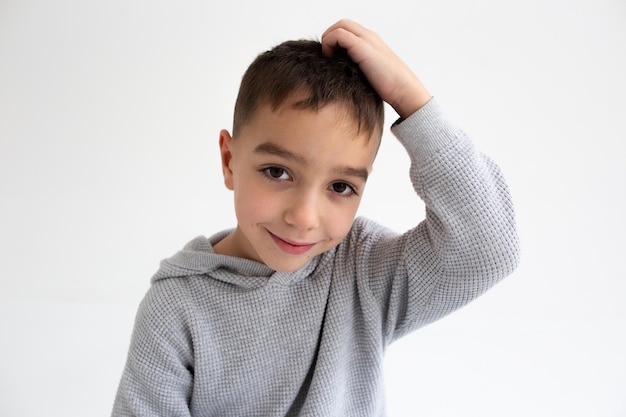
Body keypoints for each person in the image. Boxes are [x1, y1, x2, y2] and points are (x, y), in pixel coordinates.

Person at [111, 19, 520, 417]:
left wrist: (410, 99)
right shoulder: (176, 308)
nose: (305, 217)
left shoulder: (361, 271)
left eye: (340, 187)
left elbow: (488, 248)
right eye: (277, 172)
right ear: (229, 159)